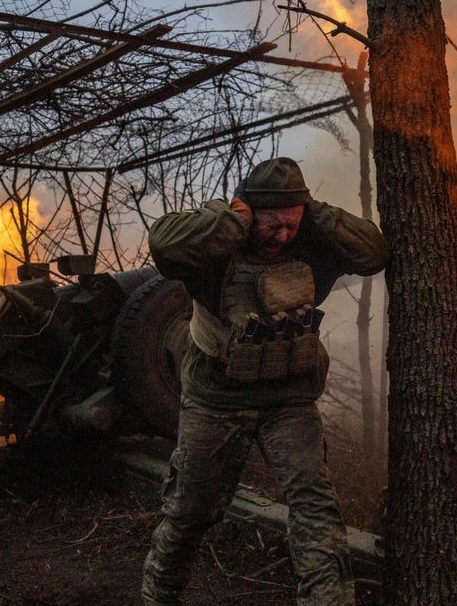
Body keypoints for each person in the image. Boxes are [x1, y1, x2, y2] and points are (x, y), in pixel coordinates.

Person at [142, 157, 387, 606]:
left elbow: (374, 253)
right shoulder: (215, 249)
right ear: (250, 213)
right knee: (188, 514)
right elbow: (162, 245)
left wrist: (317, 214)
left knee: (316, 511)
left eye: (292, 225)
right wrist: (229, 223)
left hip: (289, 400)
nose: (283, 236)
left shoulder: (312, 241)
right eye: (272, 225)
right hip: (214, 399)